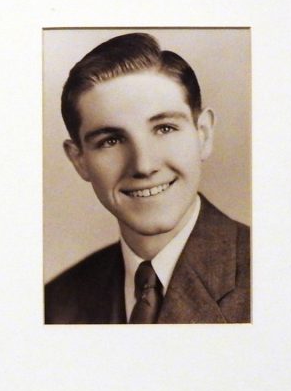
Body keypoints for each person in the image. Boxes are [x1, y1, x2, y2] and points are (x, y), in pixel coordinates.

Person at [45, 33, 250, 324]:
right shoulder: (56, 303)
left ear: (202, 135)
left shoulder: (273, 276)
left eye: (164, 128)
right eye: (111, 140)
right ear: (79, 160)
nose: (143, 165)